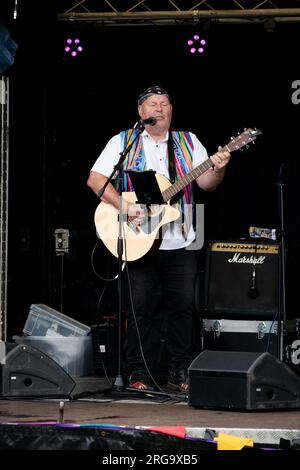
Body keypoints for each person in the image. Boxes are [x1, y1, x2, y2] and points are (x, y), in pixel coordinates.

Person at [87, 85, 230, 392]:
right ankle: (138, 373)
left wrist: (218, 169)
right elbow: (96, 179)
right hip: (138, 238)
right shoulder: (123, 141)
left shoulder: (188, 142)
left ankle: (180, 373)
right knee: (140, 309)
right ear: (141, 112)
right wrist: (125, 206)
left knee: (182, 308)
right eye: (153, 104)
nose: (160, 108)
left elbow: (206, 183)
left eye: (165, 104)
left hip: (180, 240)